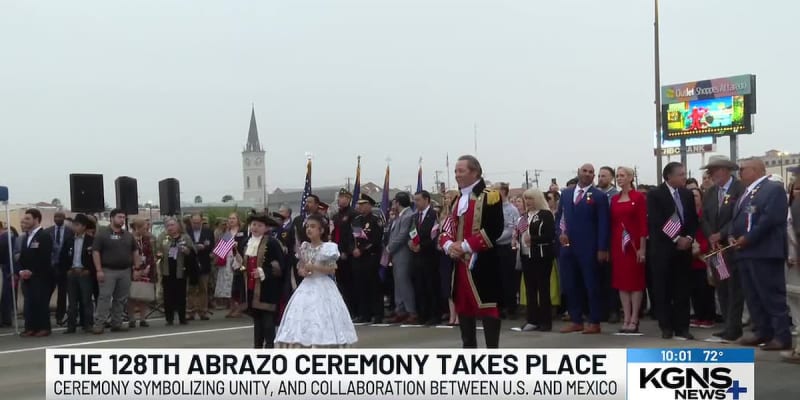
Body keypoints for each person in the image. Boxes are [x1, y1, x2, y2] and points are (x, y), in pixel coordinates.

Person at [438, 155, 504, 348]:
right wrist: (449, 245)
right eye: (456, 171)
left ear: (474, 172)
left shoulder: (490, 195)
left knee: (488, 308)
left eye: (461, 171)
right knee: (464, 309)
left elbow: (494, 229)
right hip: (458, 266)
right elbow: (447, 228)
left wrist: (465, 246)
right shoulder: (457, 199)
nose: (457, 175)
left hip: (482, 263)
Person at [731, 158, 792, 351]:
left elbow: (770, 219)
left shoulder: (772, 189)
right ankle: (763, 331)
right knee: (753, 296)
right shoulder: (746, 193)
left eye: (742, 169)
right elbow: (740, 218)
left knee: (771, 295)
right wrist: (733, 235)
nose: (739, 173)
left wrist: (748, 238)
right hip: (745, 252)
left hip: (764, 251)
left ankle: (782, 336)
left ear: (756, 170)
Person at [275, 214, 357, 347]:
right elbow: (301, 268)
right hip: (307, 285)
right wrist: (303, 271)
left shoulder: (328, 248)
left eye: (313, 227)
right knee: (303, 315)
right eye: (307, 226)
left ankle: (323, 344)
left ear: (321, 230)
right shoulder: (305, 246)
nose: (309, 229)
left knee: (321, 315)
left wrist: (314, 267)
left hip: (323, 284)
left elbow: (332, 269)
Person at [556, 163, 610, 334]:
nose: (587, 174)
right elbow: (559, 217)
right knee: (570, 284)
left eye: (591, 172)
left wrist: (602, 247)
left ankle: (594, 321)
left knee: (591, 284)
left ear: (593, 176)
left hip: (589, 247)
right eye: (585, 171)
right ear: (578, 172)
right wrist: (559, 233)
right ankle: (576, 319)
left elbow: (604, 223)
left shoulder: (598, 196)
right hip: (567, 246)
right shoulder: (566, 194)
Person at [647, 162, 698, 340]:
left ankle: (682, 327)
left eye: (684, 174)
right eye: (681, 174)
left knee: (682, 290)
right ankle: (666, 326)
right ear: (669, 176)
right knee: (663, 290)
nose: (684, 177)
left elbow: (692, 219)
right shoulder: (655, 195)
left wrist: (689, 238)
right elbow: (657, 221)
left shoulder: (686, 194)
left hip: (684, 251)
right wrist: (676, 239)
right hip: (663, 250)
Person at [700, 156, 746, 342]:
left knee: (735, 289)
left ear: (726, 170)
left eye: (715, 169)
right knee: (722, 288)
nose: (711, 174)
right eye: (710, 171)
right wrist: (711, 236)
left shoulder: (740, 189)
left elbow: (741, 216)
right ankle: (728, 325)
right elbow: (704, 217)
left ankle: (734, 328)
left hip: (733, 246)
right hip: (717, 249)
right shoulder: (710, 192)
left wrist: (723, 233)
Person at [610, 166, 647, 334]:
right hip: (619, 246)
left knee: (635, 282)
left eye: (622, 175)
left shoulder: (638, 197)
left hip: (634, 246)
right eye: (617, 176)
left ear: (631, 177)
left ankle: (634, 318)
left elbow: (642, 224)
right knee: (622, 284)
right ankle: (626, 317)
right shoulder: (615, 199)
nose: (619, 178)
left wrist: (642, 249)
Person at [92, 209, 139, 334]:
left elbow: (135, 251)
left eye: (123, 217)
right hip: (108, 271)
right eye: (119, 217)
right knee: (104, 298)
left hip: (125, 271)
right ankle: (99, 324)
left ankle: (116, 323)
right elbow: (95, 252)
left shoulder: (128, 235)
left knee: (121, 299)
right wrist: (99, 270)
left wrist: (136, 268)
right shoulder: (102, 234)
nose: (122, 219)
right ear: (111, 218)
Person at [241, 213, 284, 348]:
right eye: (254, 224)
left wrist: (263, 272)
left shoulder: (272, 243)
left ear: (266, 228)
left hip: (268, 289)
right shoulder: (246, 242)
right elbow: (244, 264)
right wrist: (239, 266)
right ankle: (258, 347)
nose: (255, 228)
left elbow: (280, 265)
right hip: (252, 288)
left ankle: (269, 347)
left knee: (268, 322)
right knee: (257, 322)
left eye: (259, 225)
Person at [518, 188, 555, 332]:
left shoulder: (545, 215)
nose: (528, 202)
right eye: (526, 199)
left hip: (542, 256)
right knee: (530, 289)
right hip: (526, 256)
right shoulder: (525, 216)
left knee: (543, 289)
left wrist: (533, 239)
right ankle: (532, 320)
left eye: (531, 199)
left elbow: (550, 235)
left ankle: (546, 321)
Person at [18, 209, 54, 337]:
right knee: (29, 302)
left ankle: (44, 327)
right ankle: (30, 327)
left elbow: (44, 258)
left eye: (28, 218)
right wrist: (21, 270)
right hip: (27, 277)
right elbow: (23, 256)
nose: (24, 221)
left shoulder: (44, 236)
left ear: (36, 219)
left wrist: (32, 271)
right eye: (24, 218)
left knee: (41, 302)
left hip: (41, 276)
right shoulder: (27, 236)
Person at [155, 218, 195, 326]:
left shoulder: (185, 237)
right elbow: (157, 250)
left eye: (172, 225)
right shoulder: (163, 237)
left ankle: (182, 317)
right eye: (168, 225)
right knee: (168, 295)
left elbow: (193, 251)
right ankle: (169, 318)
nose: (170, 227)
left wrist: (187, 251)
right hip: (167, 271)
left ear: (178, 226)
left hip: (180, 270)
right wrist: (159, 254)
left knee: (181, 295)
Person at [59, 214, 95, 333]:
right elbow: (63, 257)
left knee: (86, 300)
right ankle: (71, 325)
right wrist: (67, 270)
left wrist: (89, 270)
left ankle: (88, 324)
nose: (75, 227)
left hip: (85, 273)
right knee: (72, 301)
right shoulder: (69, 240)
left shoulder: (91, 241)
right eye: (74, 225)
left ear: (84, 226)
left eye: (77, 225)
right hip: (72, 272)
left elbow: (94, 258)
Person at [351, 194, 384, 324]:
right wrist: (352, 249)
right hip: (358, 259)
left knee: (373, 286)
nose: (360, 207)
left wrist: (363, 250)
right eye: (359, 205)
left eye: (363, 204)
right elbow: (352, 238)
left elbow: (376, 239)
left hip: (371, 256)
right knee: (360, 286)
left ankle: (377, 314)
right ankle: (364, 313)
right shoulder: (356, 220)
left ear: (369, 205)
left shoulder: (376, 220)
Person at [410, 190, 440, 326]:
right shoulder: (415, 217)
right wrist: (411, 243)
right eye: (415, 200)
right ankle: (423, 314)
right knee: (420, 286)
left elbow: (435, 236)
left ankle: (435, 315)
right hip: (417, 257)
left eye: (418, 200)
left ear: (427, 200)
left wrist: (422, 246)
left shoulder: (434, 215)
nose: (416, 203)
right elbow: (412, 233)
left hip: (430, 256)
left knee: (431, 286)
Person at [387, 192, 417, 324]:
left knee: (404, 283)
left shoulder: (408, 215)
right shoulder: (399, 216)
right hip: (396, 255)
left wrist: (389, 248)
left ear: (398, 203)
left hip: (403, 253)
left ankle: (411, 311)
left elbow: (403, 235)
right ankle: (400, 310)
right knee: (398, 283)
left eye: (394, 202)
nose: (393, 205)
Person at [688, 188, 715, 329]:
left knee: (705, 289)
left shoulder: (704, 214)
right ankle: (698, 316)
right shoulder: (688, 215)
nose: (693, 198)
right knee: (694, 289)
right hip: (691, 258)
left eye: (696, 196)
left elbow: (709, 234)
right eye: (691, 196)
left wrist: (701, 250)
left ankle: (708, 317)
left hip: (704, 257)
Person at [494, 183, 520, 319]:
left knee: (508, 278)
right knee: (496, 278)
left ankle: (510, 307)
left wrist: (494, 239)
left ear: (503, 191)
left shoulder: (512, 210)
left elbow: (511, 230)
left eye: (496, 190)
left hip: (506, 247)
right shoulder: (492, 209)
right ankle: (499, 306)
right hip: (494, 248)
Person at [331, 189, 358, 316]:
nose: (340, 199)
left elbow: (352, 235)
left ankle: (353, 310)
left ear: (348, 199)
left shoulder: (353, 214)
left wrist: (347, 250)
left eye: (343, 197)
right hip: (336, 252)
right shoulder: (336, 216)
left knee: (350, 283)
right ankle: (345, 309)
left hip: (346, 253)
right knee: (341, 282)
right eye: (339, 197)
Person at [782, 181, 800, 363]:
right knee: (794, 299)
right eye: (795, 188)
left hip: (797, 259)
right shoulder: (792, 207)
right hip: (792, 259)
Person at [47, 211, 73, 326]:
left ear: (63, 218)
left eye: (59, 217)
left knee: (62, 293)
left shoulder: (70, 231)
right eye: (55, 217)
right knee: (47, 291)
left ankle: (60, 316)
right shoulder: (48, 231)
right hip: (51, 266)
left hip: (64, 266)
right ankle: (44, 314)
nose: (57, 219)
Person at [128, 218, 155, 328]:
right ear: (137, 228)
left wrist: (147, 267)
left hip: (145, 270)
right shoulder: (128, 239)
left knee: (144, 295)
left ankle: (143, 318)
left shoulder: (146, 239)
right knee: (132, 296)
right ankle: (131, 319)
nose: (146, 229)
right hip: (133, 270)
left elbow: (149, 254)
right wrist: (135, 269)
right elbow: (126, 255)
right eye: (144, 228)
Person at [186, 214, 214, 321]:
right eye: (194, 222)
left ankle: (203, 311)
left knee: (203, 288)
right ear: (191, 222)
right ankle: (190, 311)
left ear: (202, 221)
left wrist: (205, 246)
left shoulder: (208, 231)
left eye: (198, 222)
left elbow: (212, 245)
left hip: (204, 261)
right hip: (191, 263)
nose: (196, 225)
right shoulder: (187, 231)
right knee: (191, 289)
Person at [438, 189, 460, 326]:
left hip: (456, 252)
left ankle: (458, 315)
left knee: (455, 285)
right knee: (447, 285)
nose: (446, 200)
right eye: (445, 198)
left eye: (449, 198)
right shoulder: (442, 216)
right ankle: (452, 315)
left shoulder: (456, 216)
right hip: (444, 253)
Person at [0, 226, 18, 328]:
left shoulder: (6, 238)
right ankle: (6, 319)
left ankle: (5, 319)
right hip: (7, 269)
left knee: (5, 295)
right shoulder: (9, 237)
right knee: (6, 296)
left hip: (5, 270)